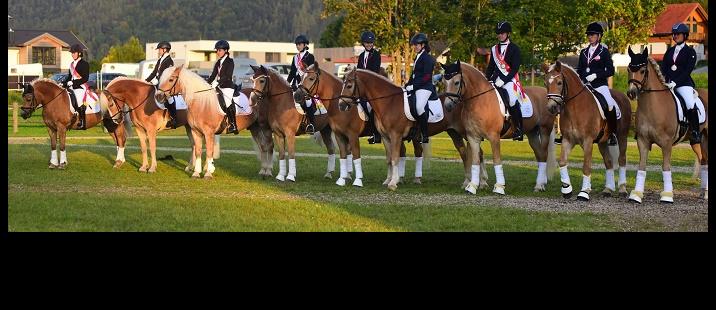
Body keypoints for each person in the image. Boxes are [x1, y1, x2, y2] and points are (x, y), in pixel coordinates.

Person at [577, 22, 618, 145]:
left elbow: (610, 70)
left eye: (593, 35)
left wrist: (596, 75)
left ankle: (612, 134)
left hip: (600, 85)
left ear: (599, 36)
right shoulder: (583, 52)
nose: (590, 37)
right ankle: (567, 133)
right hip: (585, 86)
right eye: (589, 35)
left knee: (610, 104)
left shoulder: (604, 52)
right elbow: (580, 69)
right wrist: (583, 78)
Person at [661, 22, 700, 144]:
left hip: (683, 84)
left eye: (678, 34)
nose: (675, 36)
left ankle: (695, 132)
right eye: (674, 34)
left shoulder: (690, 52)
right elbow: (664, 67)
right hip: (668, 83)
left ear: (685, 35)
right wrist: (666, 80)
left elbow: (687, 71)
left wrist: (675, 82)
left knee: (689, 103)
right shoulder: (669, 51)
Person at [485, 21, 524, 141]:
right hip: (495, 79)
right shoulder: (494, 49)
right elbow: (491, 67)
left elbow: (515, 68)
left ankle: (518, 129)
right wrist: (486, 79)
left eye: (502, 33)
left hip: (510, 79)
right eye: (498, 33)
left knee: (512, 100)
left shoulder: (514, 48)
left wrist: (505, 80)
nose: (500, 35)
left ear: (508, 34)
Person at [405, 33, 437, 144]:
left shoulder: (427, 58)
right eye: (414, 45)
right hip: (416, 86)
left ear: (423, 45)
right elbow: (414, 74)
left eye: (416, 45)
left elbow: (427, 76)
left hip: (425, 87)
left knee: (419, 107)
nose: (415, 47)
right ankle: (413, 129)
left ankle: (425, 134)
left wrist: (414, 86)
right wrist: (407, 84)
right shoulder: (417, 57)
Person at [287, 34, 317, 133]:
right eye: (297, 44)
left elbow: (311, 72)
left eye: (300, 44)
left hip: (305, 84)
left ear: (305, 45)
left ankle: (311, 124)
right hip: (295, 83)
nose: (298, 46)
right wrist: (287, 82)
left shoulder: (310, 56)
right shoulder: (295, 57)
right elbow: (292, 72)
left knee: (307, 102)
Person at [356, 30, 382, 144]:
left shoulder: (376, 55)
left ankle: (376, 133)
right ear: (363, 43)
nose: (369, 44)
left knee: (370, 107)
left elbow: (375, 72)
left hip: (373, 86)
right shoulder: (361, 56)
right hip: (362, 87)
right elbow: (358, 70)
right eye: (367, 42)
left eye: (371, 42)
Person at [207, 40, 238, 134]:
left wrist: (218, 82)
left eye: (219, 50)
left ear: (225, 50)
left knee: (227, 102)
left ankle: (233, 124)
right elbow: (213, 75)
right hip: (219, 86)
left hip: (227, 86)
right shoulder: (218, 62)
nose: (217, 52)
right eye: (217, 50)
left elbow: (228, 76)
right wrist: (206, 83)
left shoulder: (230, 62)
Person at [62, 44, 95, 130]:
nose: (72, 54)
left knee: (79, 99)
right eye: (72, 53)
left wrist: (73, 82)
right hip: (72, 86)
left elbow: (85, 78)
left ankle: (82, 122)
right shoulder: (71, 64)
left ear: (79, 53)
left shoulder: (85, 64)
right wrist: (64, 83)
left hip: (81, 86)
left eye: (74, 53)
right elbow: (69, 76)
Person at [145, 41, 177, 128]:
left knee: (169, 98)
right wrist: (146, 81)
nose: (158, 51)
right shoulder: (160, 60)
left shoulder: (169, 61)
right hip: (158, 83)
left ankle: (173, 118)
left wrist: (158, 81)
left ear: (164, 49)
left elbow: (167, 75)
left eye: (159, 49)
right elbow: (154, 72)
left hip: (165, 85)